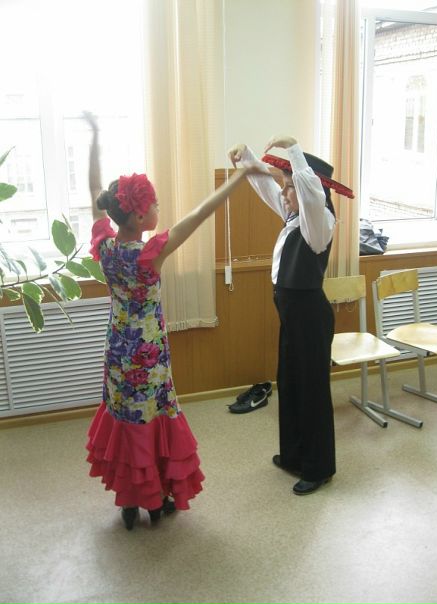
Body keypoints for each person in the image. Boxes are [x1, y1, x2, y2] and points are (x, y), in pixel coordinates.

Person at [84, 112, 266, 530]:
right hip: (148, 356)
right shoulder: (150, 254)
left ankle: (130, 501)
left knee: (126, 417)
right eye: (154, 205)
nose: (159, 209)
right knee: (150, 419)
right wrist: (240, 177)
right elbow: (200, 214)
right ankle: (153, 500)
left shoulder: (106, 246)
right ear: (139, 217)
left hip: (117, 349)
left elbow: (93, 189)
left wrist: (93, 136)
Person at [228, 135, 353, 496]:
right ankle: (295, 455)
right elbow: (268, 188)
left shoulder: (319, 221)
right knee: (290, 383)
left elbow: (310, 192)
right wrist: (245, 157)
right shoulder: (295, 216)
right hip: (292, 318)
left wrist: (294, 148)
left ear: (308, 188)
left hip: (310, 320)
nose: (283, 193)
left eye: (289, 187)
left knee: (312, 391)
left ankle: (318, 467)